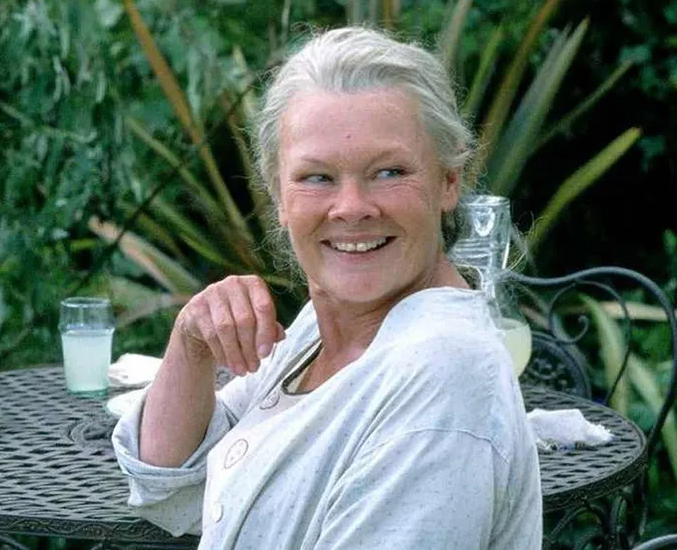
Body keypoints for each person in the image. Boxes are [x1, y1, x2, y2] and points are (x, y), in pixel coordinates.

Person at [111, 27, 542, 549]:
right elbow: (168, 485)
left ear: (449, 181)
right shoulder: (326, 329)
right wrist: (191, 343)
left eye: (388, 172)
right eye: (317, 178)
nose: (352, 206)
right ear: (277, 193)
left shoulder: (440, 373)